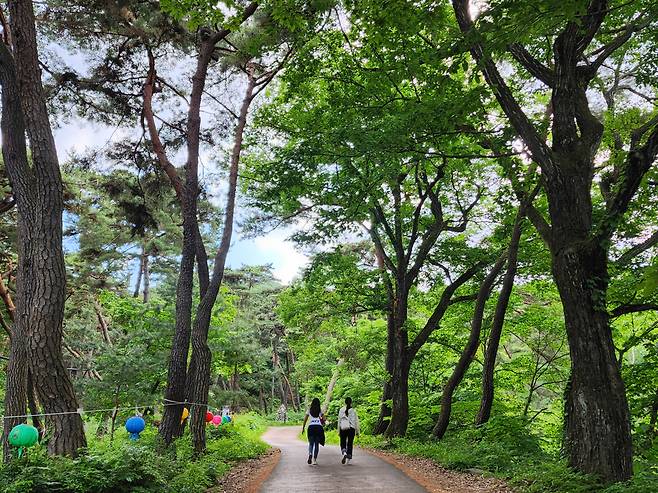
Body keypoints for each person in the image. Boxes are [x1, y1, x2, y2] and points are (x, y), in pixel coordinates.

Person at [301, 397, 325, 465]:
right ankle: (314, 460)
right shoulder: (320, 410)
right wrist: (322, 422)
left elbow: (305, 419)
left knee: (311, 443)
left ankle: (310, 454)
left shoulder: (309, 409)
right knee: (316, 444)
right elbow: (324, 419)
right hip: (318, 427)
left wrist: (303, 428)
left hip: (311, 427)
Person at [338, 397, 359, 464]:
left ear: (345, 402)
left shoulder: (341, 410)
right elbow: (356, 422)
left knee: (343, 441)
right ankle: (348, 458)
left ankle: (344, 453)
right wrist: (358, 432)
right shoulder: (353, 411)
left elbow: (339, 421)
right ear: (351, 402)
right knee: (350, 443)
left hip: (343, 428)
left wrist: (338, 430)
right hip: (351, 429)